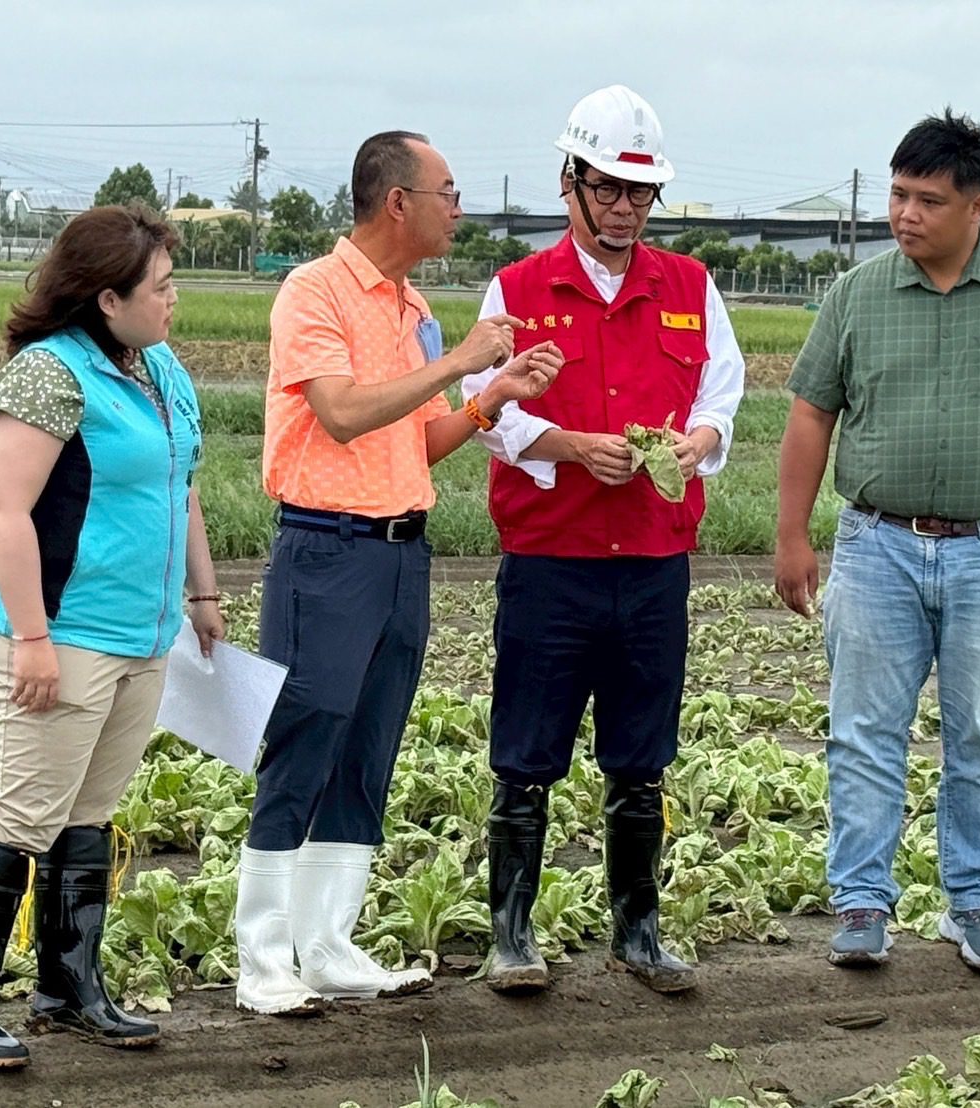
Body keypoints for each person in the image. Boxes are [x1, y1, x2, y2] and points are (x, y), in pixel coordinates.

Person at [775, 109, 980, 977]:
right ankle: (860, 903)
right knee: (863, 733)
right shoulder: (855, 296)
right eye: (896, 194)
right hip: (876, 544)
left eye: (927, 199)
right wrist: (792, 534)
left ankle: (976, 901)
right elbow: (812, 412)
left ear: (977, 206)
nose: (904, 214)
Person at [235, 130, 562, 1016]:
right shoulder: (315, 291)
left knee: (370, 744)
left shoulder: (413, 307)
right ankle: (264, 956)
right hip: (325, 549)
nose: (460, 209)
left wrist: (494, 397)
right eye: (448, 192)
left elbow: (419, 439)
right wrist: (461, 362)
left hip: (399, 551)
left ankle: (328, 943)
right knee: (305, 737)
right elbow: (339, 415)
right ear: (397, 202)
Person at [0, 204, 226, 1068]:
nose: (175, 300)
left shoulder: (161, 369)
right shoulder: (49, 377)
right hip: (64, 632)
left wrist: (202, 593)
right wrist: (30, 640)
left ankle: (69, 986)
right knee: (23, 811)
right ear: (106, 298)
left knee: (88, 814)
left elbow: (184, 484)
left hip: (144, 632)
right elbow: (7, 512)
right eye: (161, 287)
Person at [462, 85, 745, 996]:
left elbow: (721, 397)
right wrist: (567, 445)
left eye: (640, 193)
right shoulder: (515, 289)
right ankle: (511, 933)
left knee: (641, 750)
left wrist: (698, 443)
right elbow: (492, 413)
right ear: (570, 184)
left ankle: (640, 928)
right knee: (528, 748)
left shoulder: (690, 287)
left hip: (655, 563)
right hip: (552, 560)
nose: (626, 208)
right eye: (609, 189)